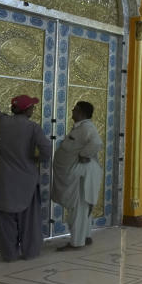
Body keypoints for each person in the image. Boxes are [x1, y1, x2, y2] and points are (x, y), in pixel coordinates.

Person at [0, 82, 52, 261]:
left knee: (5, 221)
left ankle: (9, 254)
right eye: (32, 107)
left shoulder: (2, 122)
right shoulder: (33, 128)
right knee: (29, 220)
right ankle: (29, 252)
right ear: (26, 110)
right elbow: (46, 150)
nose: (33, 110)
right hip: (26, 180)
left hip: (5, 181)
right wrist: (37, 159)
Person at [52, 101, 103, 251]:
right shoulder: (81, 128)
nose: (72, 111)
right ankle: (85, 236)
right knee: (82, 207)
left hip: (82, 175)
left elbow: (96, 143)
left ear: (80, 111)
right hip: (79, 173)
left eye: (74, 109)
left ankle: (76, 242)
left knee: (79, 208)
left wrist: (83, 154)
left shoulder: (87, 127)